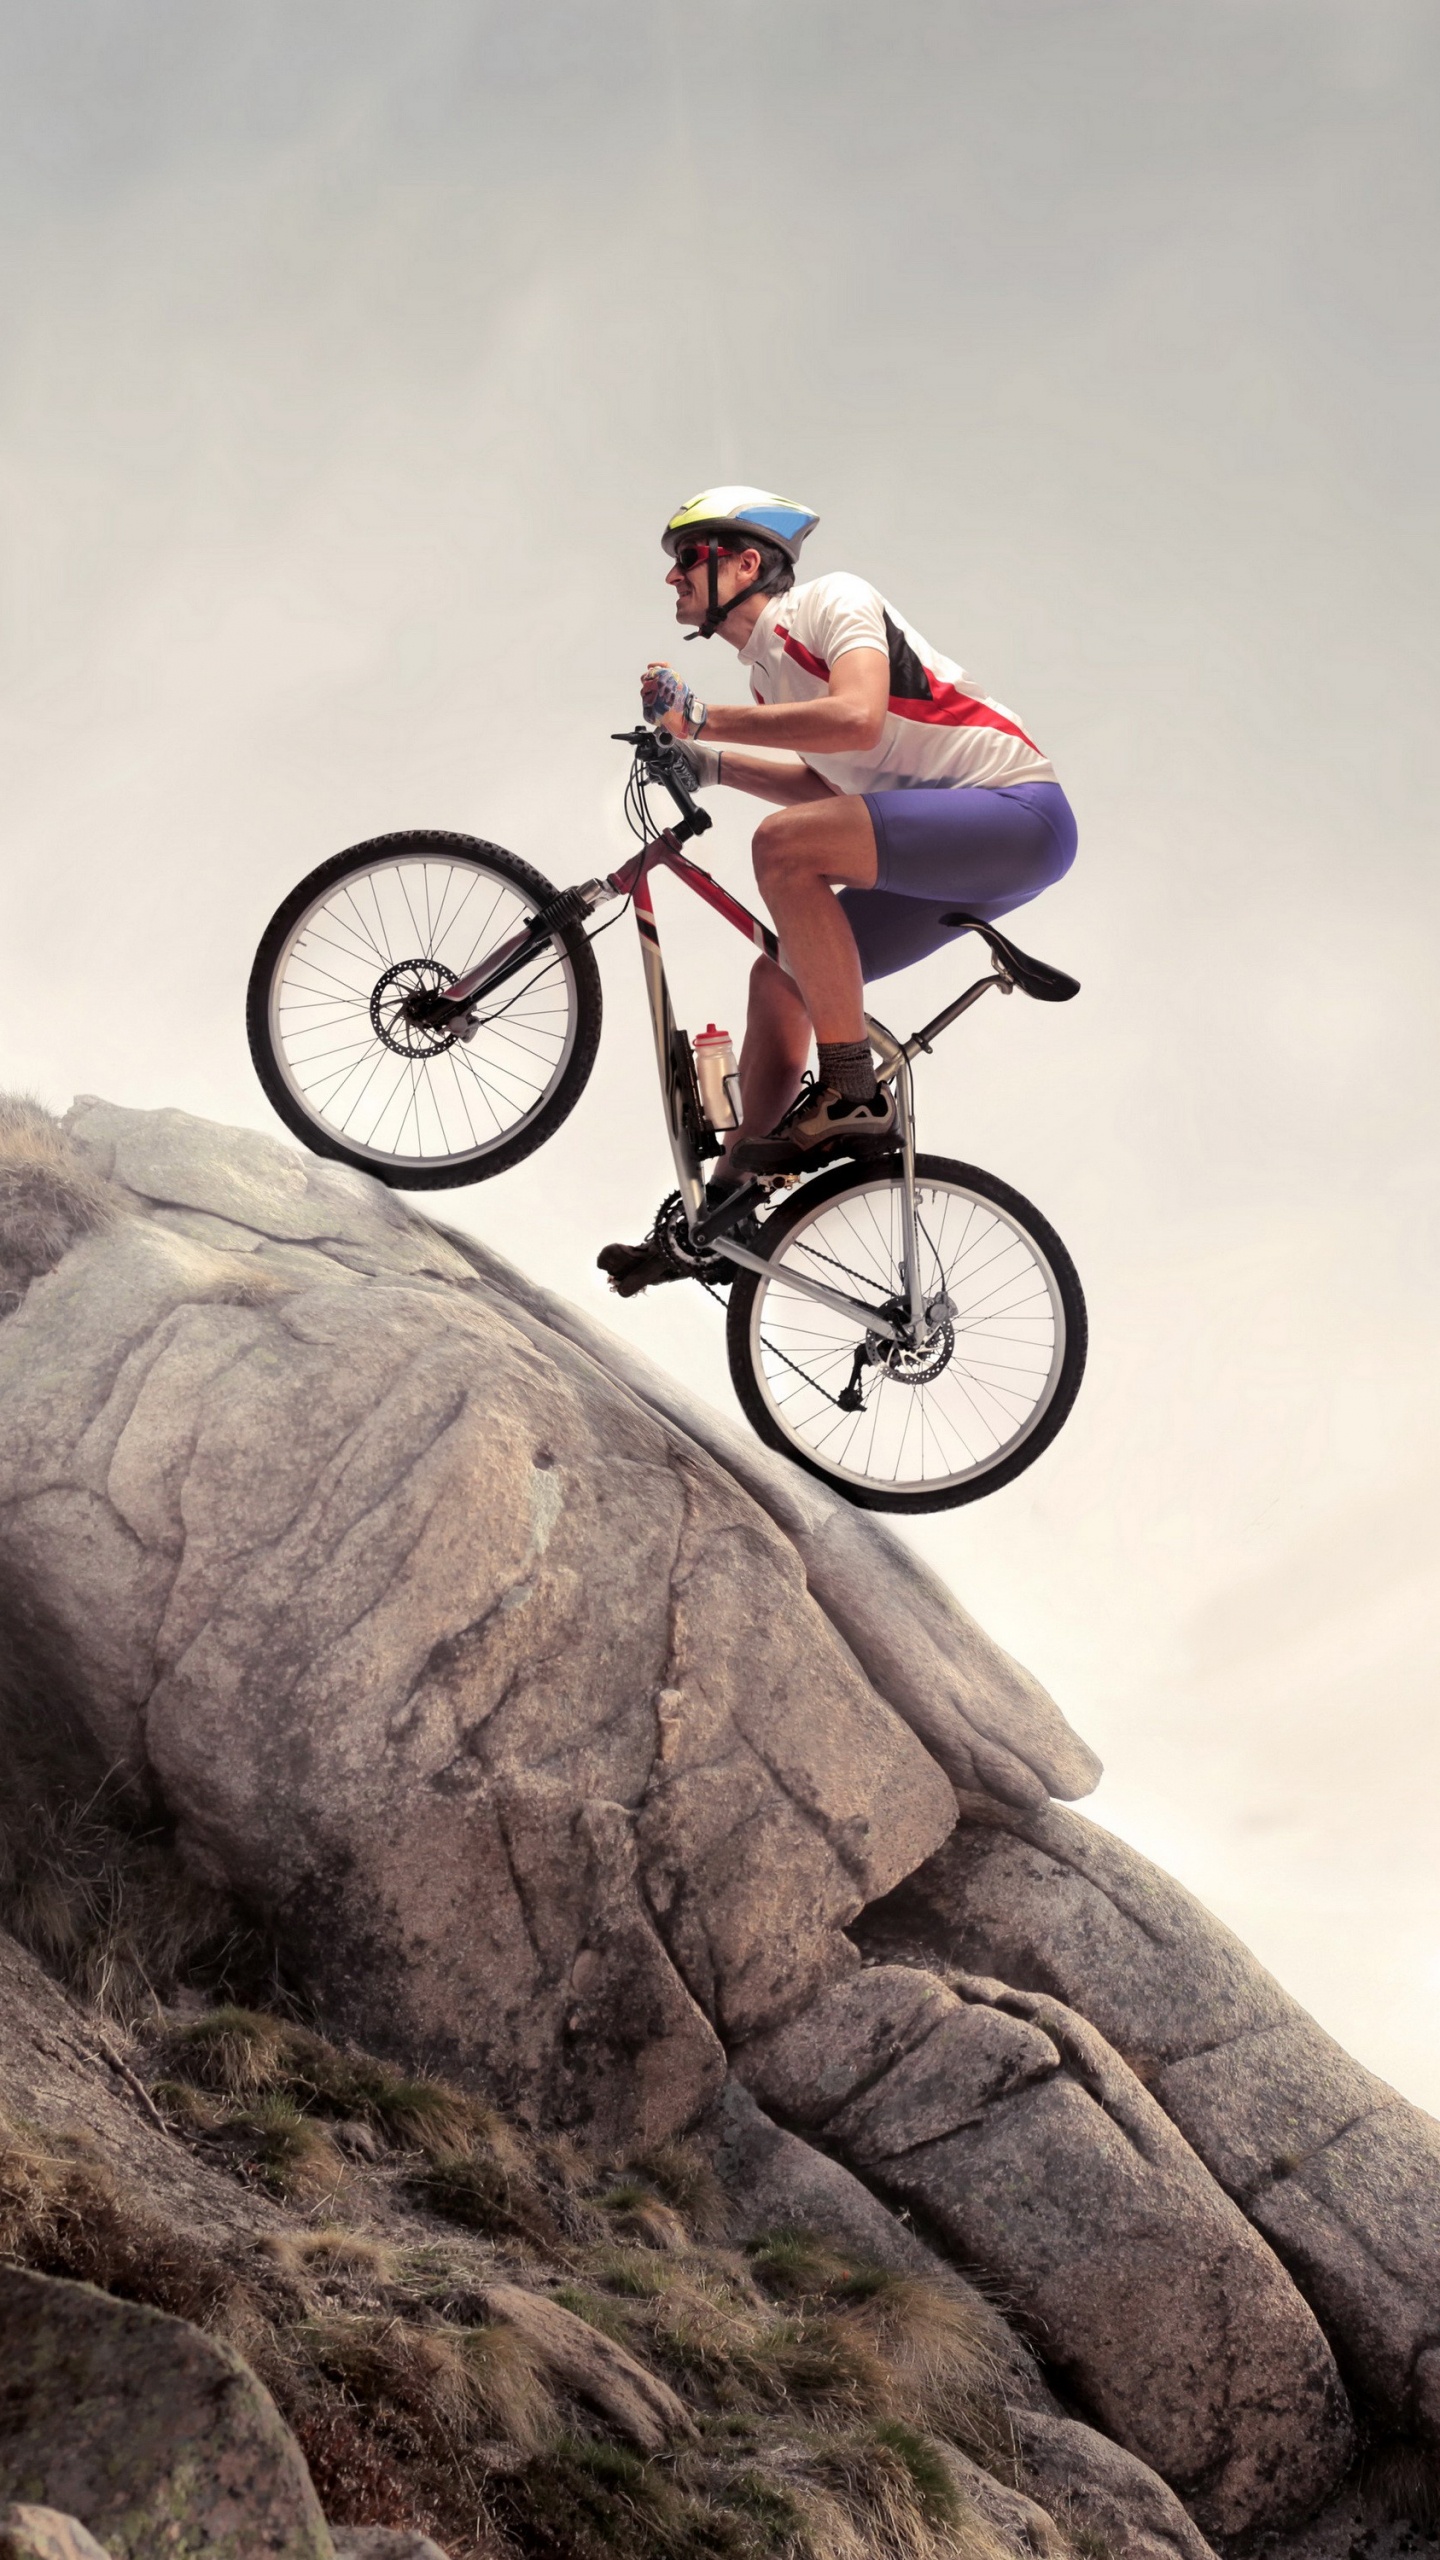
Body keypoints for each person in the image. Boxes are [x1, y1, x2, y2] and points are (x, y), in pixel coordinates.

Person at [598, 486, 1077, 1296]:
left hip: (1015, 813)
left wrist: (703, 721)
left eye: (687, 559)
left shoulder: (831, 600)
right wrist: (708, 764)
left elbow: (856, 717)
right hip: (948, 851)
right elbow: (828, 792)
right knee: (779, 980)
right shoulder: (769, 684)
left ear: (746, 562)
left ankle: (853, 1091)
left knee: (783, 852)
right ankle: (722, 1210)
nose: (672, 579)